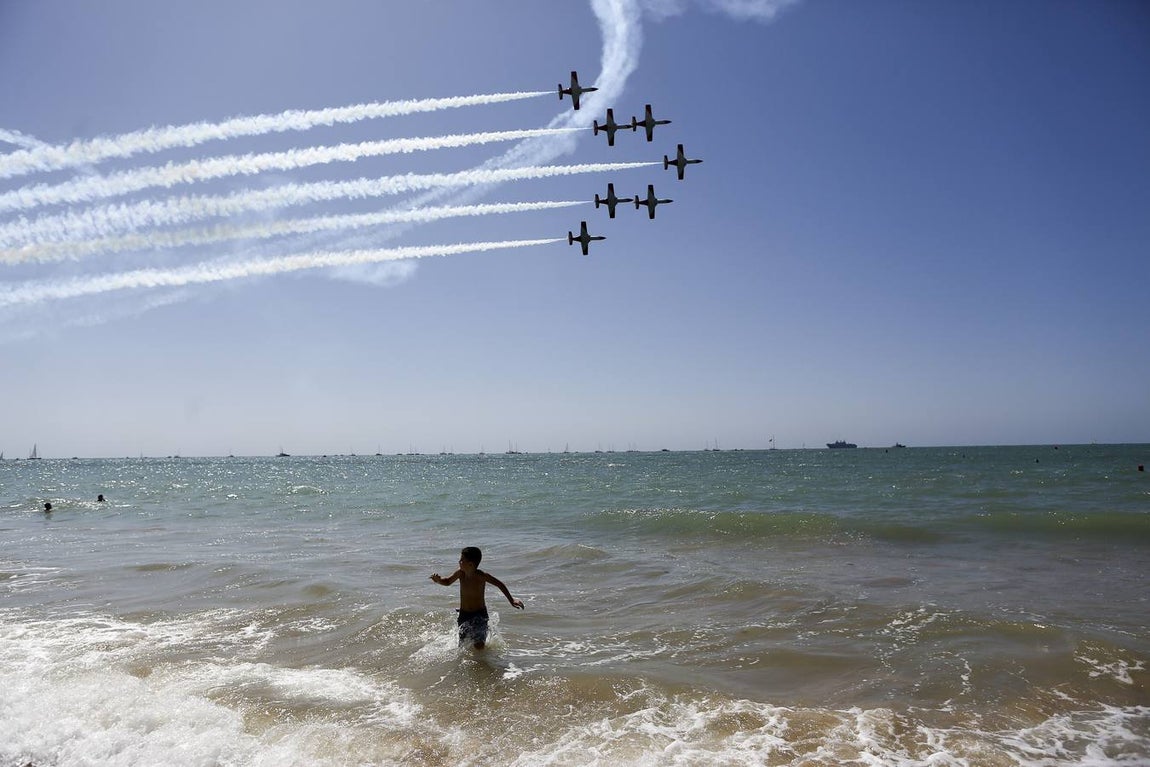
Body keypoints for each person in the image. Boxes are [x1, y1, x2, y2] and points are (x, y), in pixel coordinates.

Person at [430, 546, 524, 649]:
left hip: (480, 615)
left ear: (470, 564)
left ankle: (482, 658)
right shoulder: (460, 573)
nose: (459, 562)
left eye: (462, 560)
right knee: (462, 645)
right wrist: (438, 580)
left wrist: (512, 600)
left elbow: (499, 584)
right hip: (464, 614)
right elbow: (448, 581)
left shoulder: (482, 576)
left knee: (479, 645)